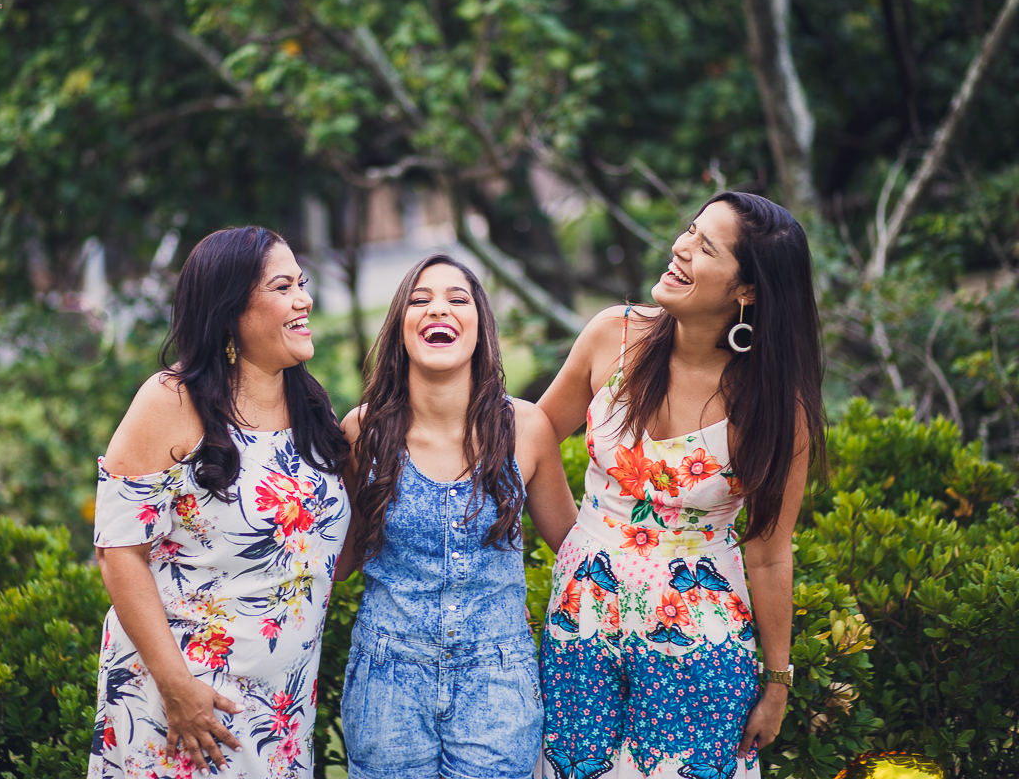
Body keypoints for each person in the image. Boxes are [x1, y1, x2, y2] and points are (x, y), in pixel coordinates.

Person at [535, 192, 825, 779]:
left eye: (705, 246)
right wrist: (576, 540)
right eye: (689, 231)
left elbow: (769, 552)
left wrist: (776, 682)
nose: (680, 248)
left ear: (747, 291)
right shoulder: (611, 336)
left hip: (697, 643)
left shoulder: (772, 406)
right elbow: (532, 438)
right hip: (580, 623)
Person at [88, 226, 350, 779]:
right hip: (183, 702)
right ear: (231, 310)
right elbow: (117, 551)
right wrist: (176, 687)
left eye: (301, 283)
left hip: (281, 713)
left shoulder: (311, 408)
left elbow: (322, 559)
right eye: (283, 287)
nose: (304, 299)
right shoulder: (171, 400)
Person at [335, 255, 580, 779]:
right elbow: (340, 558)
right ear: (400, 326)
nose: (436, 309)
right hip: (386, 683)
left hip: (498, 685)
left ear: (479, 326)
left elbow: (576, 551)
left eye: (456, 298)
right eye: (419, 300)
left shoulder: (526, 428)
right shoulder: (362, 433)